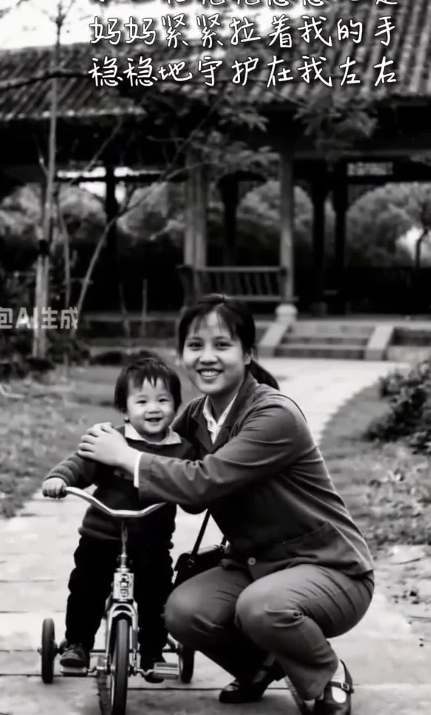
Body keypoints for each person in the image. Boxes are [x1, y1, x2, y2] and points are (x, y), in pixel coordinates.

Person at [77, 294, 375, 715]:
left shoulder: (274, 415)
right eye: (195, 345)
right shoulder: (195, 416)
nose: (207, 357)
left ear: (248, 353)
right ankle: (258, 666)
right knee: (181, 611)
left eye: (222, 345)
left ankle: (328, 674)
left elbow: (202, 482)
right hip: (253, 566)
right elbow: (170, 471)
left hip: (328, 567)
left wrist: (126, 457)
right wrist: (104, 453)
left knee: (262, 608)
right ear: (181, 354)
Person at [42, 351, 194, 681]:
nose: (153, 408)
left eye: (163, 400)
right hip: (101, 535)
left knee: (157, 597)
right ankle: (78, 644)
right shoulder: (111, 439)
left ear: (175, 406)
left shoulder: (182, 449)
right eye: (142, 401)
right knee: (86, 588)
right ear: (125, 410)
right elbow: (79, 463)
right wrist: (60, 478)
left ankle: (153, 653)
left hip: (152, 543)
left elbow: (193, 480)